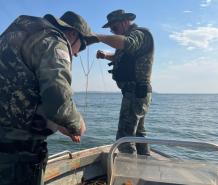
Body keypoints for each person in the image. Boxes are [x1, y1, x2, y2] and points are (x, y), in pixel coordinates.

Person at [0, 11, 96, 185]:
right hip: (20, 150)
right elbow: (57, 97)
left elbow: (21, 90)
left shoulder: (16, 33)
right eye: (80, 47)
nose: (76, 54)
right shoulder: (54, 41)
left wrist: (58, 123)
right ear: (73, 33)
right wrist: (76, 124)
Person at [95, 9, 154, 155]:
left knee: (124, 139)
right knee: (139, 134)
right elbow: (121, 58)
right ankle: (144, 166)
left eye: (114, 28)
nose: (113, 31)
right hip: (137, 93)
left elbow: (128, 44)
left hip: (135, 92)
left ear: (124, 21)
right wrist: (106, 55)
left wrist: (97, 37)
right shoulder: (129, 38)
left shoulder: (140, 34)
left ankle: (131, 175)